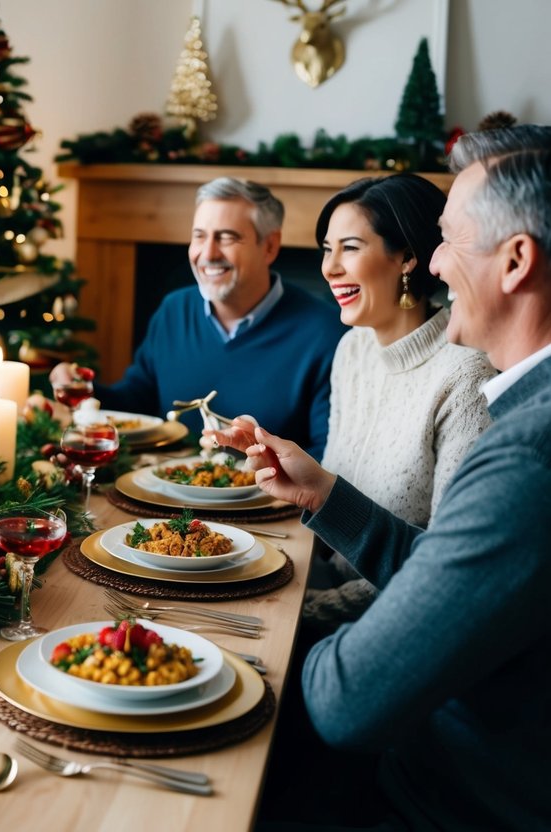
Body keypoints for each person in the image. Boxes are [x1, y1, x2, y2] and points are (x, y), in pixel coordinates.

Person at [210, 125, 551, 829]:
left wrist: (263, 634)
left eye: (448, 240)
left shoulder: (524, 448)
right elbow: (444, 570)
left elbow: (348, 698)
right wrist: (319, 493)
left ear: (516, 259)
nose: (435, 264)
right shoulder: (508, 407)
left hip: (440, 792)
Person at [306, 174, 495, 627]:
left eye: (349, 248)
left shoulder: (465, 376)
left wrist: (303, 611)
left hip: (387, 626)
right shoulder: (353, 348)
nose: (329, 268)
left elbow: (443, 572)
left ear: (408, 256)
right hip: (320, 590)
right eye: (326, 249)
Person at [51, 177, 345, 458]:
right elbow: (137, 403)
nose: (207, 253)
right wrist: (81, 389)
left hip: (271, 506)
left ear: (269, 246)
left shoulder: (325, 333)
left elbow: (327, 458)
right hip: (168, 495)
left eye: (227, 238)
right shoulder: (174, 309)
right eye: (199, 236)